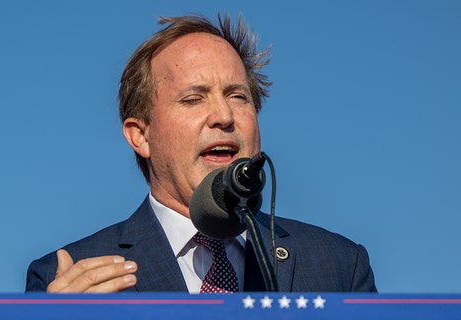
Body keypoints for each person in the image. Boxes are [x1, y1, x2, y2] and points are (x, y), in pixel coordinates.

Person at [26, 13, 377, 293]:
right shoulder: (66, 276)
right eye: (193, 99)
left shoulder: (340, 266)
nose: (224, 117)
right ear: (140, 136)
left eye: (238, 96)